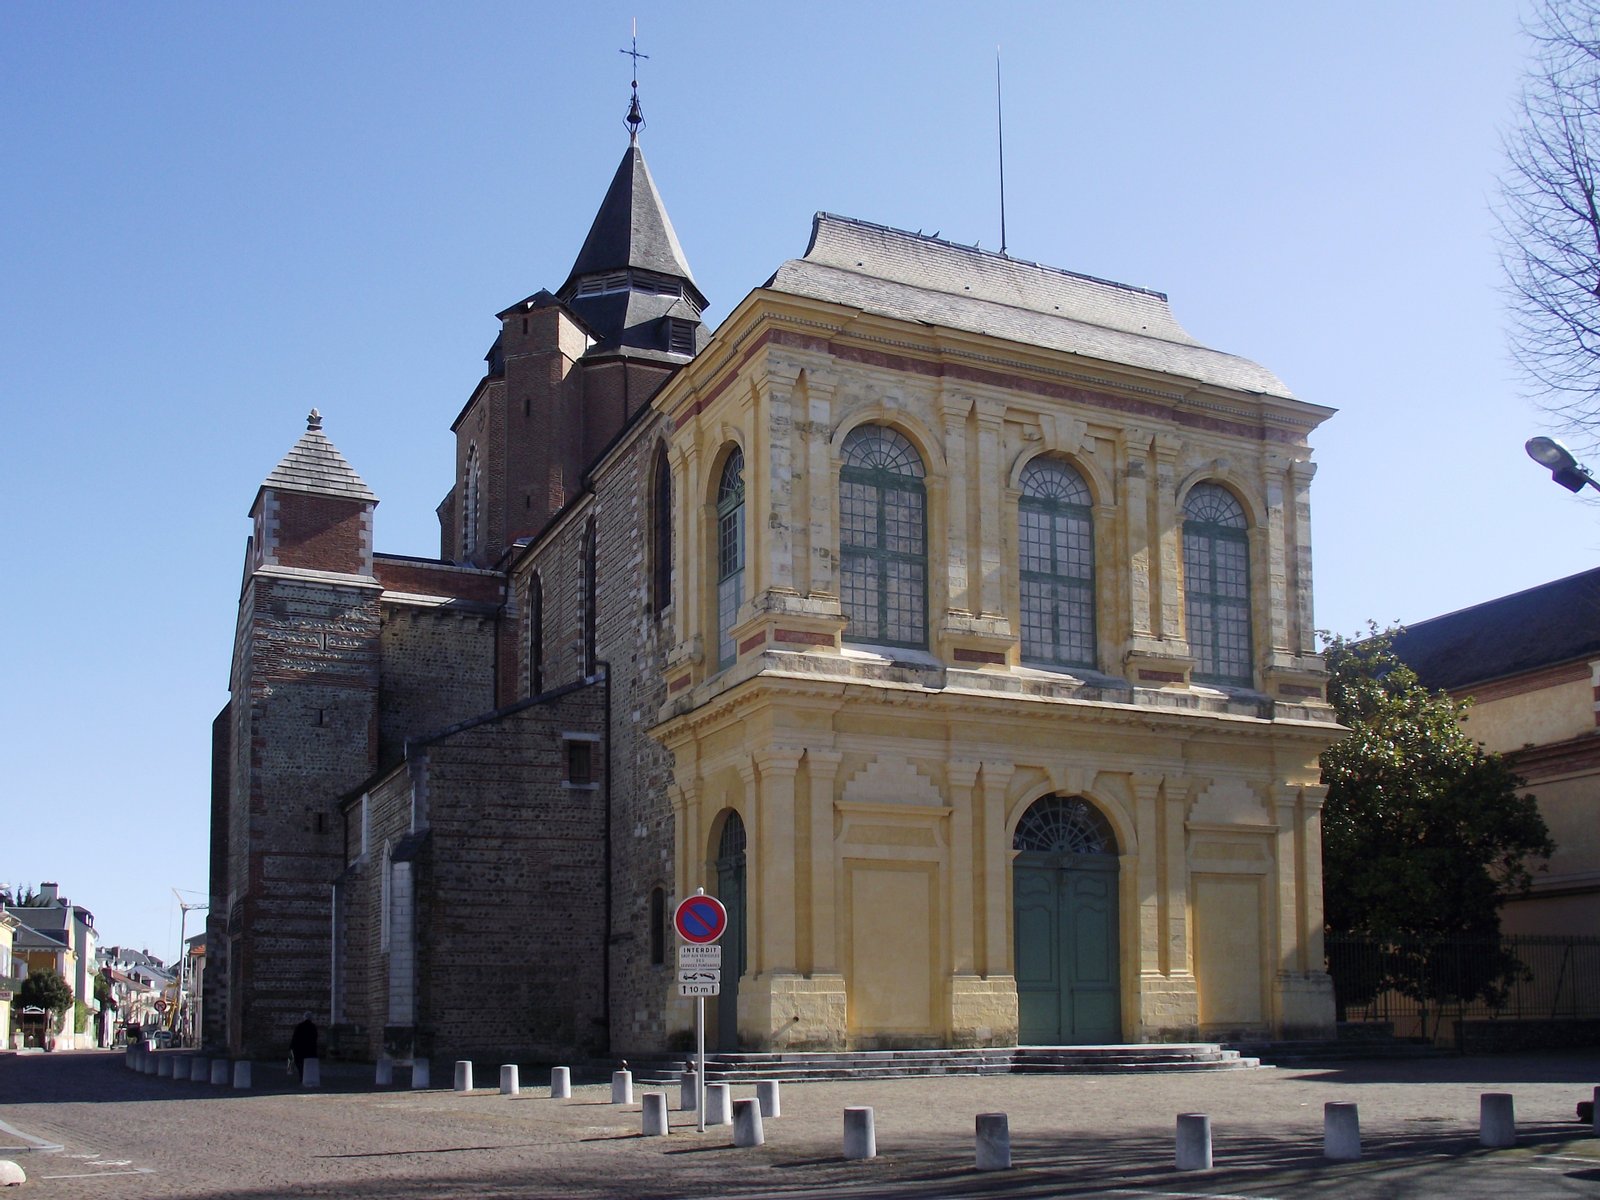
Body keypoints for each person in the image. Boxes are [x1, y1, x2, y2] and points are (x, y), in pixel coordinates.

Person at [290, 1013, 318, 1080]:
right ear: (311, 1018)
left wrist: (291, 1047)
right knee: (308, 1065)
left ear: (304, 1018)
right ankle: (308, 1077)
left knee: (300, 1064)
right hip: (310, 1050)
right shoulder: (313, 1027)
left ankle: (301, 1076)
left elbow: (294, 1038)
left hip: (299, 1049)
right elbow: (315, 1038)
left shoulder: (299, 1026)